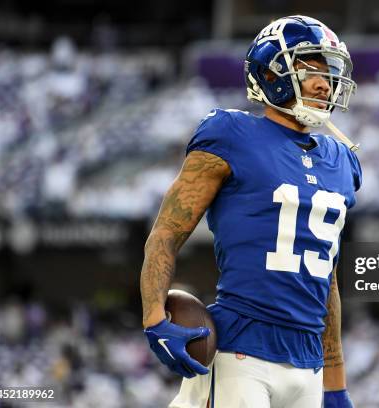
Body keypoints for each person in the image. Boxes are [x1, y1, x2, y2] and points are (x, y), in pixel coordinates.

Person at [140, 15, 361, 408]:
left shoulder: (341, 162)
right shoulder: (231, 135)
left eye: (329, 71)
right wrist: (154, 316)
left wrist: (335, 380)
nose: (325, 82)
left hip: (308, 366)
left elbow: (326, 280)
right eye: (311, 67)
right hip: (242, 353)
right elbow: (167, 232)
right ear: (273, 70)